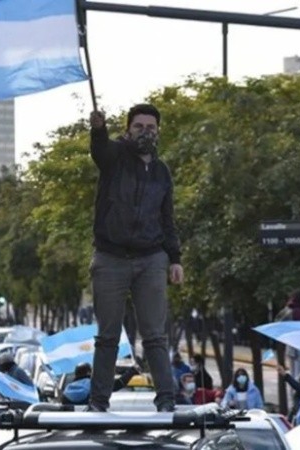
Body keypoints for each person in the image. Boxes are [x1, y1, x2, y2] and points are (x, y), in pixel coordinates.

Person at [87, 105, 183, 413]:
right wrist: (98, 129)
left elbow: (167, 219)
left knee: (155, 335)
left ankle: (166, 400)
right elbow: (99, 150)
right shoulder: (114, 158)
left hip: (152, 259)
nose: (145, 131)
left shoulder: (162, 172)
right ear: (128, 130)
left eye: (151, 127)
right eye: (139, 126)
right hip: (110, 258)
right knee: (108, 336)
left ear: (158, 132)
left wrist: (175, 258)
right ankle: (98, 402)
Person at [62, 362, 140, 405]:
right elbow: (118, 384)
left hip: (71, 422)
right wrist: (132, 371)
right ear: (89, 372)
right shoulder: (93, 383)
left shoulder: (68, 388)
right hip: (91, 420)